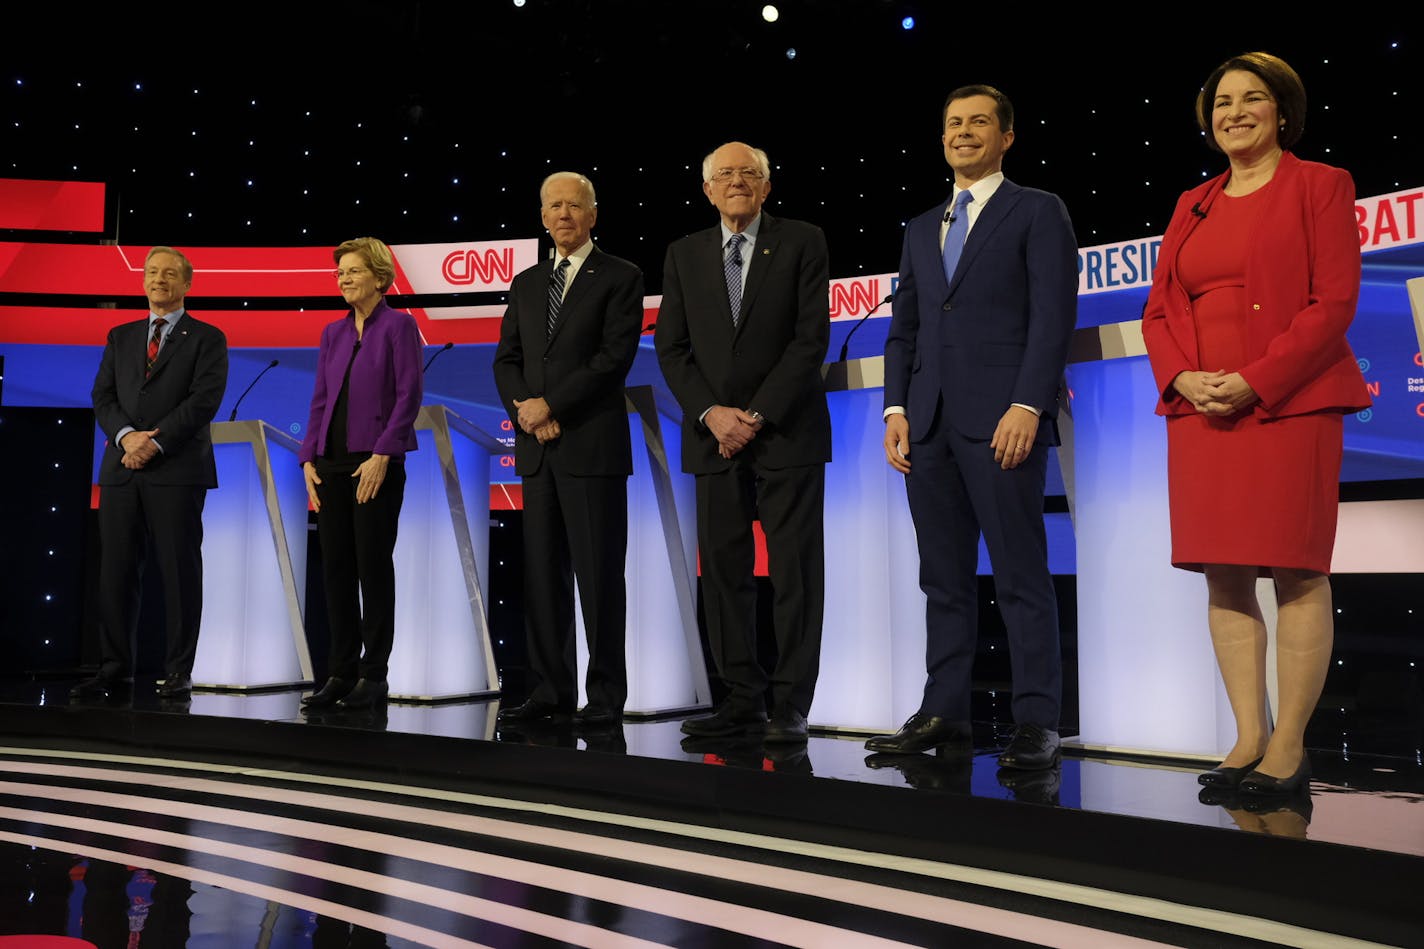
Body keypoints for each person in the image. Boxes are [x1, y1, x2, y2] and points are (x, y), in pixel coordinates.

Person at [1141, 52, 1371, 797]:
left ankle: (1290, 746)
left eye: (1252, 99)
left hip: (1288, 400)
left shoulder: (1321, 184)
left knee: (1298, 571)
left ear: (1282, 111)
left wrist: (1254, 379)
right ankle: (1248, 735)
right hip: (1201, 407)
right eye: (1222, 102)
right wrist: (1181, 376)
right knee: (1225, 571)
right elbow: (1157, 310)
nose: (1234, 111)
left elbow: (1333, 303)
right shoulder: (1192, 201)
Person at [873, 85, 1077, 770]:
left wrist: (1029, 404)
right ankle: (945, 712)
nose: (963, 132)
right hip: (926, 426)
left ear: (1007, 135)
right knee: (944, 579)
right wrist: (895, 408)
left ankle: (1036, 721)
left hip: (1003, 424)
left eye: (978, 122)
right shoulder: (920, 224)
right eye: (953, 122)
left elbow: (1052, 318)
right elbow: (904, 330)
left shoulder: (1037, 210)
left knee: (1021, 574)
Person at [655, 141, 831, 744]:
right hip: (712, 439)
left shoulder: (803, 240)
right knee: (725, 573)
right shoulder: (683, 254)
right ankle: (740, 701)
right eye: (724, 175)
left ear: (766, 186)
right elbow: (671, 349)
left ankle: (790, 706)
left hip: (787, 433)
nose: (736, 182)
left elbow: (810, 341)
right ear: (707, 190)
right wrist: (712, 414)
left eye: (748, 173)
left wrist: (752, 415)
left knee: (794, 574)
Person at [492, 171, 645, 730]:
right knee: (542, 577)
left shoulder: (621, 276)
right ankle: (549, 692)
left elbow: (613, 358)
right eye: (553, 206)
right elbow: (505, 360)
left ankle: (604, 697)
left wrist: (550, 405)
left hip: (591, 449)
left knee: (600, 577)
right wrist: (525, 409)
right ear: (541, 216)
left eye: (573, 206)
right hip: (538, 453)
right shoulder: (527, 283)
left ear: (592, 215)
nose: (563, 215)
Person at [75, 246, 230, 700]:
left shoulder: (208, 337)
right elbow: (103, 396)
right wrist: (127, 437)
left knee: (179, 573)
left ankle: (179, 670)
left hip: (176, 469)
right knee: (117, 572)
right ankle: (114, 668)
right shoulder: (120, 336)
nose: (158, 279)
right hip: (122, 469)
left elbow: (203, 401)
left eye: (168, 274)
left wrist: (154, 442)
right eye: (151, 272)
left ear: (187, 284)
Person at [299, 237, 424, 711]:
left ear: (378, 275)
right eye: (340, 273)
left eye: (352, 271)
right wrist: (308, 457)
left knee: (372, 569)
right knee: (335, 571)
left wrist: (382, 454)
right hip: (329, 464)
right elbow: (319, 400)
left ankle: (375, 675)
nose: (344, 279)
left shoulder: (399, 326)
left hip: (374, 464)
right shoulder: (332, 332)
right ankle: (340, 671)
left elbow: (408, 396)